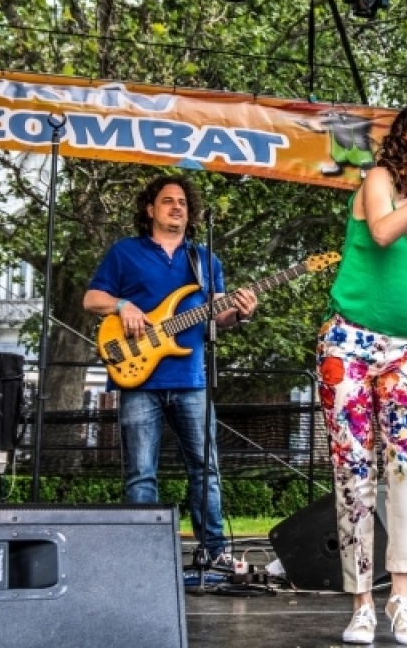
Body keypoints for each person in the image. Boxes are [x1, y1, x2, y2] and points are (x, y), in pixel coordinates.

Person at [316, 100, 407, 646]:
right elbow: (382, 233)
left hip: (404, 350)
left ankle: (402, 597)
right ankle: (362, 602)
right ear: (405, 137)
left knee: (406, 472)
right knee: (354, 472)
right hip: (349, 342)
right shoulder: (378, 179)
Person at [84, 174, 256, 567]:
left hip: (191, 379)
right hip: (139, 377)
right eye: (167, 201)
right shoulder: (125, 252)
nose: (177, 207)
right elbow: (92, 298)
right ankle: (141, 557)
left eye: (182, 202)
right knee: (141, 473)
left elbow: (219, 315)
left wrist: (241, 313)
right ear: (150, 209)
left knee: (205, 470)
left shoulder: (205, 259)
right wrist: (122, 306)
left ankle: (214, 552)